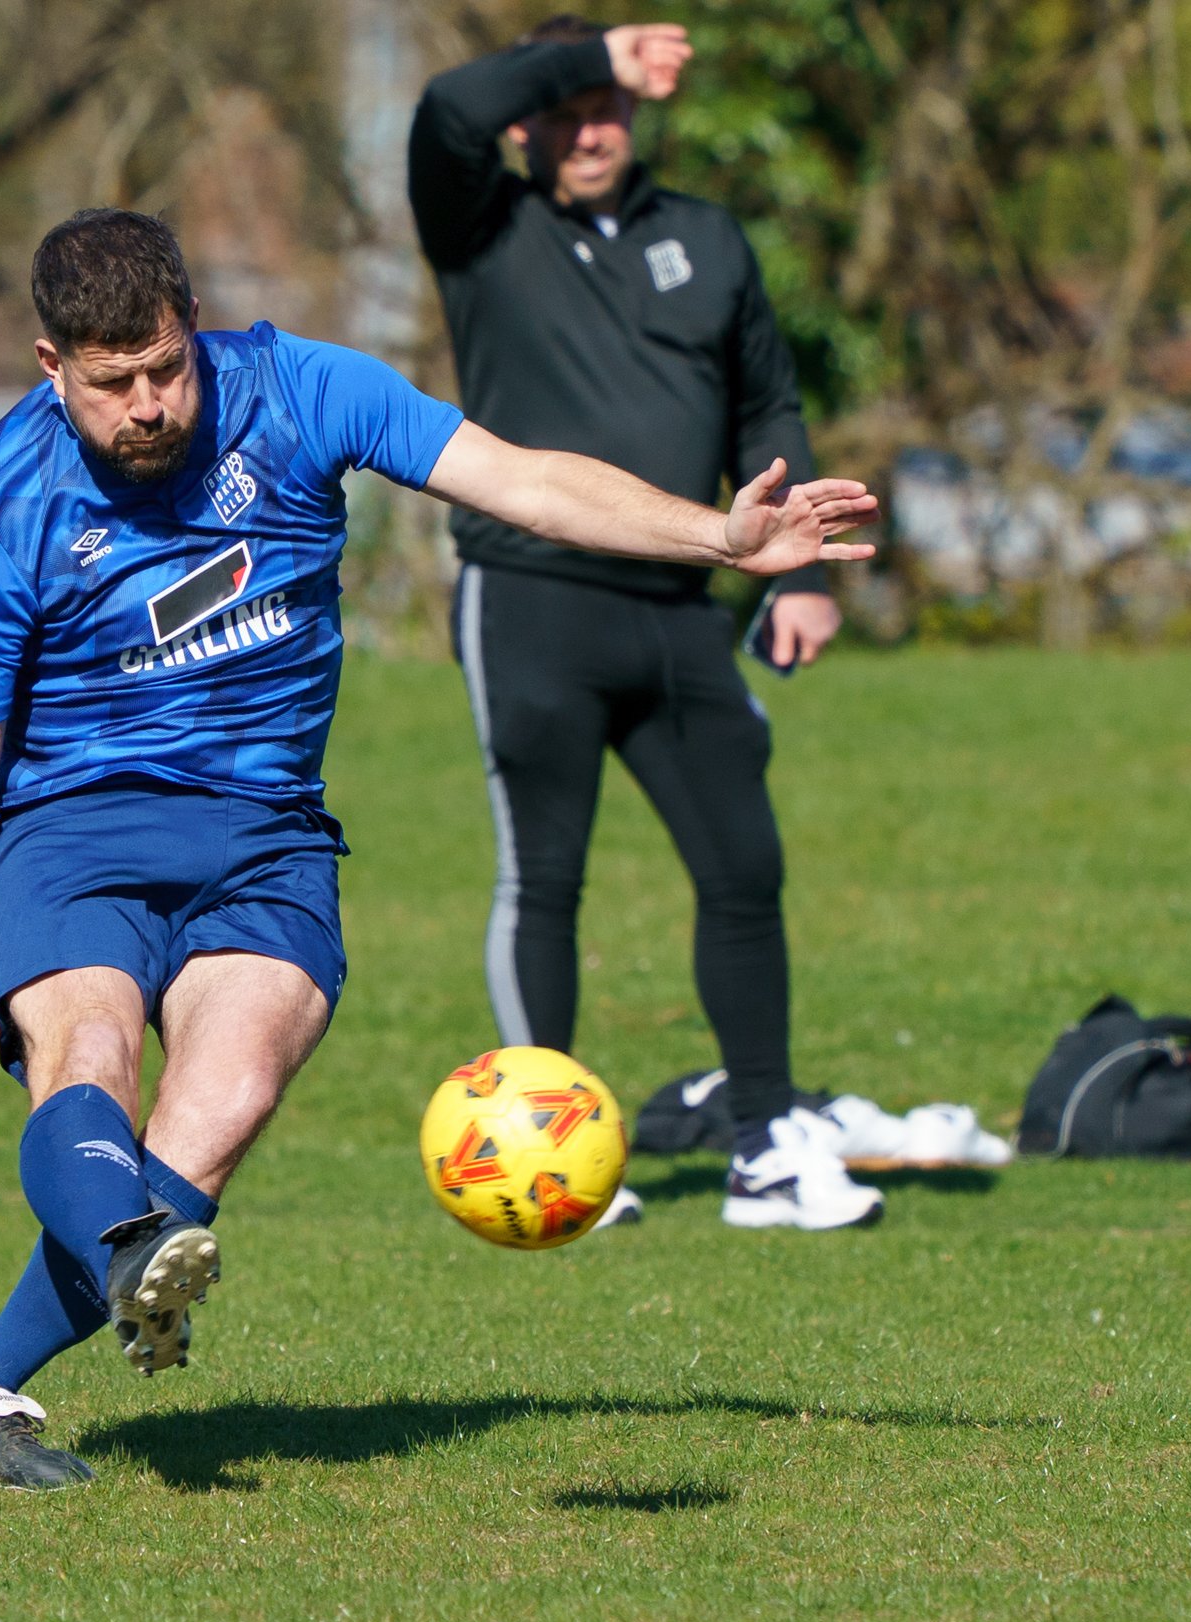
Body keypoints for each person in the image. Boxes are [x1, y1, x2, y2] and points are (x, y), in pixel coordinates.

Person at [0, 207, 876, 1489]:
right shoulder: (0, 504)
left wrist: (719, 537)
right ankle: (120, 1268)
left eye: (167, 370)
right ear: (48, 366)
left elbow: (519, 476)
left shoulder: (304, 391)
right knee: (90, 1057)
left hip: (269, 834)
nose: (147, 406)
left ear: (197, 330)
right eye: (111, 384)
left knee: (224, 1102)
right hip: (78, 830)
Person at [411, 17, 925, 1232]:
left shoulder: (704, 235)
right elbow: (444, 109)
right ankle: (548, 1155)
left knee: (743, 862)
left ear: (640, 120)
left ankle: (763, 1146)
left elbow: (767, 403)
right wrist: (594, 47)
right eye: (568, 108)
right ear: (531, 122)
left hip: (682, 609)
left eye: (612, 109)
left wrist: (795, 576)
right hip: (528, 601)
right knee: (546, 876)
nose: (593, 130)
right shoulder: (483, 225)